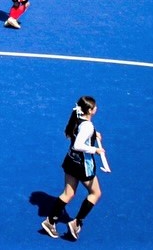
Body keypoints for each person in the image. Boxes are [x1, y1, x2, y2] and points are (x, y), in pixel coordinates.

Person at [40, 96, 106, 240]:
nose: (97, 109)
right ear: (89, 110)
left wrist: (94, 134)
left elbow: (80, 135)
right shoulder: (88, 126)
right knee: (95, 193)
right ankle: (76, 222)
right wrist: (95, 150)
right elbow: (78, 144)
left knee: (68, 194)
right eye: (94, 107)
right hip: (83, 166)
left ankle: (50, 221)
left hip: (71, 161)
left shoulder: (77, 118)